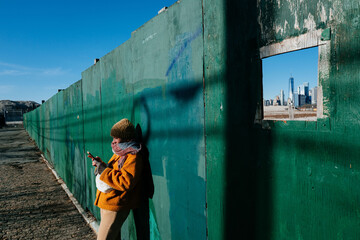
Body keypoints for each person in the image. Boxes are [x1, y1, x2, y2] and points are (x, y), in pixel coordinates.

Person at [88, 118, 151, 240]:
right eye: (113, 138)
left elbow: (126, 182)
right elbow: (114, 171)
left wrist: (103, 170)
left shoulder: (133, 155)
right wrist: (101, 165)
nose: (113, 142)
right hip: (108, 202)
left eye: (116, 138)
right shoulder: (121, 151)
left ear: (127, 138)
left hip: (115, 204)